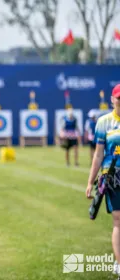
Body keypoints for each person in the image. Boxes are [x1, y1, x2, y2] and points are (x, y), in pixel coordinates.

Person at [86, 84, 120, 277]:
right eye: (119, 98)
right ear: (112, 100)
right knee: (118, 219)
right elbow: (98, 155)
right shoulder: (104, 122)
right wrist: (90, 181)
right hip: (114, 177)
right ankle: (119, 263)